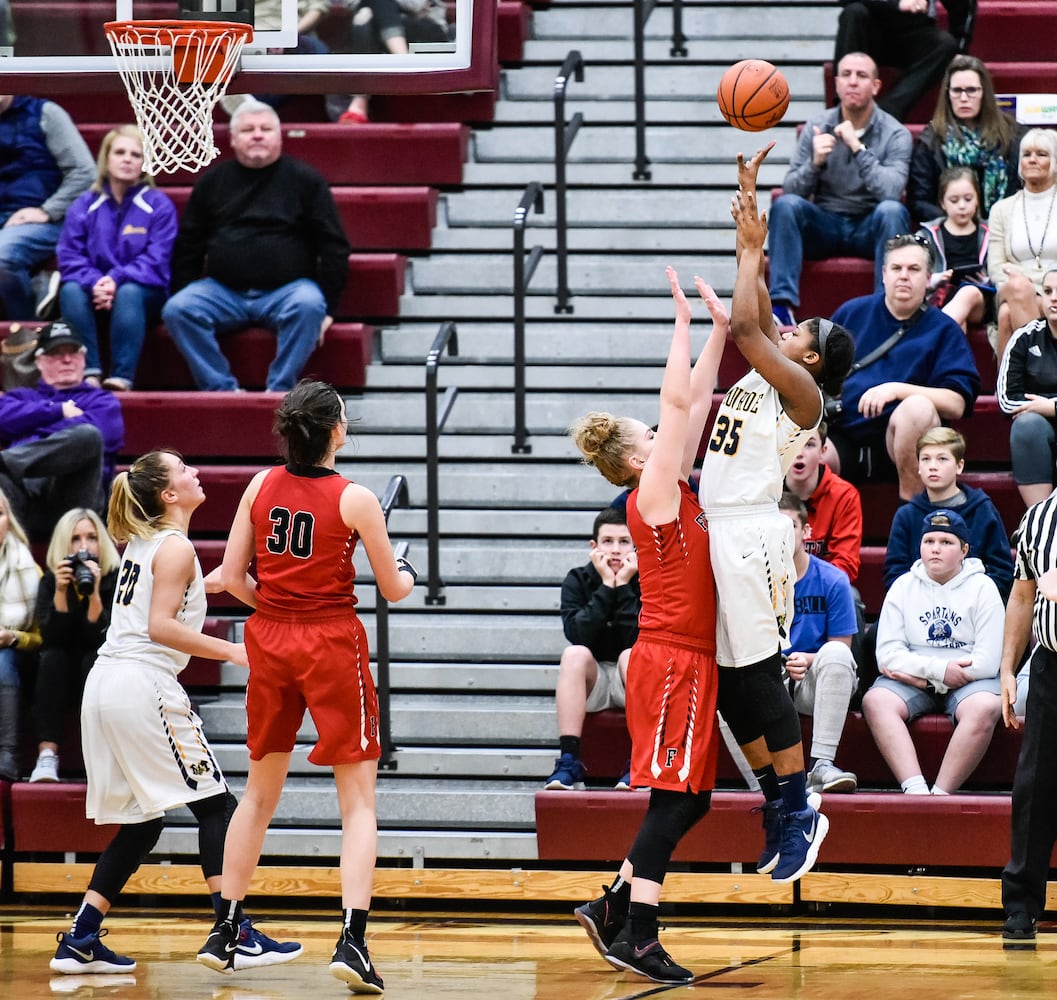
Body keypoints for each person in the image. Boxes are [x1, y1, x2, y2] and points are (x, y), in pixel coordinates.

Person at [196, 381, 415, 993]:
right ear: (335, 431)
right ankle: (352, 939)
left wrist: (277, 606)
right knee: (359, 803)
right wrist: (410, 569)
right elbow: (394, 589)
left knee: (258, 796)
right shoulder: (357, 498)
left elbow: (229, 578)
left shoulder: (260, 485)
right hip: (330, 643)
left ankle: (226, 927)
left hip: (270, 638)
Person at [50, 449, 301, 975]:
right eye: (183, 470)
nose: (195, 473)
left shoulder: (147, 544)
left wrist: (213, 585)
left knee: (143, 824)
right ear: (168, 494)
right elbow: (161, 627)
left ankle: (81, 937)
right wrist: (237, 652)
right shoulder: (176, 548)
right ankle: (235, 932)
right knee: (216, 807)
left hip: (105, 685)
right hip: (142, 684)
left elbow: (162, 601)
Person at [700, 143, 854, 884]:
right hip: (717, 526)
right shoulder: (776, 362)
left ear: (815, 361)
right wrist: (747, 228)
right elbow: (752, 314)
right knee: (729, 687)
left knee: (759, 677)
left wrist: (756, 247)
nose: (792, 327)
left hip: (754, 533)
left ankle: (802, 808)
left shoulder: (801, 393)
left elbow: (743, 331)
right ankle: (775, 800)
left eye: (804, 332)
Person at [568, 266, 727, 985]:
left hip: (685, 656)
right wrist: (682, 325)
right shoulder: (651, 492)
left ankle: (609, 906)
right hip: (669, 658)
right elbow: (675, 397)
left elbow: (691, 405)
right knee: (676, 800)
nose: (668, 431)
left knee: (690, 799)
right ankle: (637, 932)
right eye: (654, 435)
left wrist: (720, 333)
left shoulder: (669, 478)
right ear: (637, 458)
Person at [162, 101, 352, 393]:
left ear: (279, 136)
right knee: (178, 308)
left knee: (310, 304)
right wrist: (184, 287)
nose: (258, 135)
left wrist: (330, 308)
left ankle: (279, 390)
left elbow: (333, 245)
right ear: (233, 139)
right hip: (223, 292)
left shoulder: (306, 180)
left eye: (265, 129)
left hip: (287, 292)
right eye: (248, 130)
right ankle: (222, 390)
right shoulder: (212, 182)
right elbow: (189, 244)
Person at [827, 233, 981, 500]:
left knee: (918, 407)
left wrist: (897, 390)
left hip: (903, 443)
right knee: (800, 445)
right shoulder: (851, 313)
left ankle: (911, 519)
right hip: (843, 436)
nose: (904, 276)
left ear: (928, 277)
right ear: (884, 274)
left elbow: (957, 403)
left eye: (914, 269)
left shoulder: (943, 329)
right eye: (896, 268)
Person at [767, 51, 912, 328]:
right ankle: (782, 307)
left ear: (876, 86)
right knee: (785, 206)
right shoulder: (817, 127)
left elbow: (891, 191)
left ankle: (884, 306)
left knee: (893, 210)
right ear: (836, 84)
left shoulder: (895, 133)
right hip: (826, 224)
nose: (853, 82)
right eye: (846, 75)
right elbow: (792, 188)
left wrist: (858, 149)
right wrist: (815, 163)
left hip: (870, 226)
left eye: (861, 76)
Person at [865, 508, 1004, 795]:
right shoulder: (903, 586)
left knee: (985, 707)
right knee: (876, 701)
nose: (936, 549)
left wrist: (924, 675)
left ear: (964, 550)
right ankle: (915, 790)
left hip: (968, 681)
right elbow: (887, 655)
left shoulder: (984, 588)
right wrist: (937, 674)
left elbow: (988, 663)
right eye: (929, 542)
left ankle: (940, 794)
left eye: (946, 542)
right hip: (921, 678)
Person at [56, 125, 177, 391]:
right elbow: (69, 256)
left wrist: (115, 279)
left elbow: (156, 260)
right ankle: (89, 373)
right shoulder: (84, 204)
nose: (127, 159)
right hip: (94, 291)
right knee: (71, 290)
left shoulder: (159, 205)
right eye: (120, 152)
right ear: (106, 159)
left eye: (136, 154)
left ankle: (121, 378)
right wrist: (98, 282)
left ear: (145, 163)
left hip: (145, 296)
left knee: (130, 292)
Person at [545, 506, 640, 791]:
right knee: (574, 654)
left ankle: (640, 761)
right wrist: (606, 589)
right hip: (593, 682)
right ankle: (569, 761)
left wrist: (623, 586)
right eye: (607, 541)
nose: (615, 550)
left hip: (632, 677)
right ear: (593, 546)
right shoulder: (578, 579)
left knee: (632, 655)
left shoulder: (647, 579)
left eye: (624, 542)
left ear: (636, 546)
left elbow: (639, 637)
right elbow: (578, 634)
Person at [0, 322, 124, 541]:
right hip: (21, 501)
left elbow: (104, 434)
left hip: (75, 504)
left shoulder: (102, 401)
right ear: (39, 361)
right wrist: (57, 411)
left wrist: (29, 424)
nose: (66, 360)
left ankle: (5, 460)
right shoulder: (19, 397)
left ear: (84, 359)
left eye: (72, 353)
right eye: (56, 353)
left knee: (87, 436)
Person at [999, 489, 1057, 947]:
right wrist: (1007, 668)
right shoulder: (1038, 519)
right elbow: (1022, 596)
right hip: (1050, 666)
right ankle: (1021, 907)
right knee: (1034, 786)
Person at [27, 508, 120, 783]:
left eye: (91, 537)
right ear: (62, 545)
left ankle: (102, 757)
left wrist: (94, 594)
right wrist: (60, 591)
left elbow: (103, 640)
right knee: (53, 658)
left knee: (93, 658)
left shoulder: (115, 579)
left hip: (98, 668)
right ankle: (47, 756)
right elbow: (52, 639)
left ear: (102, 541)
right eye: (75, 539)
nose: (83, 546)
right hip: (59, 677)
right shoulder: (51, 581)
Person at [778, 492, 860, 793]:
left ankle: (821, 765)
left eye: (790, 528)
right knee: (730, 684)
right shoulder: (752, 579)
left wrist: (808, 659)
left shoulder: (832, 579)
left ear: (806, 532)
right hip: (772, 677)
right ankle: (766, 787)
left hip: (816, 678)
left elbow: (842, 645)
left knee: (836, 653)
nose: (783, 536)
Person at [883, 427, 1013, 601]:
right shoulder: (906, 515)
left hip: (972, 606)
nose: (933, 466)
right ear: (919, 466)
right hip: (919, 607)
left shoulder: (982, 510)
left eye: (942, 459)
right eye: (926, 459)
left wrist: (970, 599)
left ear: (959, 466)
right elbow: (895, 573)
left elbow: (1001, 571)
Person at [0, 94, 94, 321]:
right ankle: (37, 288)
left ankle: (27, 336)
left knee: (1, 256)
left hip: (45, 220)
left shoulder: (46, 114)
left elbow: (85, 172)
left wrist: (47, 210)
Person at [907, 54, 1022, 225]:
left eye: (971, 90)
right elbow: (919, 201)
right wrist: (957, 222)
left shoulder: (1013, 135)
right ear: (947, 94)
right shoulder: (931, 141)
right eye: (956, 91)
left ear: (984, 92)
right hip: (950, 233)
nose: (963, 98)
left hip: (1006, 230)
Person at [987, 128, 1057, 363]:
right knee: (1017, 288)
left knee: (1007, 314)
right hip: (1012, 288)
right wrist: (1029, 283)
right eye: (1027, 154)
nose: (1033, 160)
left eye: (1042, 154)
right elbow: (996, 267)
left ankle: (1009, 389)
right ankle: (1046, 370)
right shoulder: (1001, 209)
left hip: (1054, 291)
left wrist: (1038, 284)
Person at [833, 0, 962, 125]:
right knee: (853, 12)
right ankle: (845, 106)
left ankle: (887, 112)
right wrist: (895, 3)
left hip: (913, 32)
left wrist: (960, 48)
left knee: (945, 44)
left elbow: (963, 5)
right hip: (869, 31)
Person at [333, 0, 450, 124]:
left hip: (424, 26)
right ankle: (405, 63)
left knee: (367, 17)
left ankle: (359, 101)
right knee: (366, 22)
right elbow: (349, 3)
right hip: (378, 29)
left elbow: (416, 5)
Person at [998, 267, 1057, 509]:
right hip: (1039, 426)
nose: (1054, 297)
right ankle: (1040, 521)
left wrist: (1050, 406)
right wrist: (1044, 410)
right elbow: (1006, 399)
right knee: (1026, 426)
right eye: (1047, 291)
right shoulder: (1025, 337)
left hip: (1044, 412)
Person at [917, 166, 994, 334]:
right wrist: (935, 279)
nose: (962, 206)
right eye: (954, 200)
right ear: (942, 203)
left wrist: (988, 281)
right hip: (942, 298)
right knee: (959, 321)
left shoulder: (992, 231)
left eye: (968, 199)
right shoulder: (927, 234)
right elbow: (915, 274)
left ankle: (934, 338)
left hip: (981, 299)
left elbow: (1002, 268)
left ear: (977, 200)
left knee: (967, 292)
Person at [783, 423, 863, 582]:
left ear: (823, 451)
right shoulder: (766, 492)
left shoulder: (844, 495)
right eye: (792, 442)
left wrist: (809, 586)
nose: (799, 453)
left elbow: (846, 564)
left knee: (851, 596)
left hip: (823, 590)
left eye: (809, 444)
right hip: (778, 588)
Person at [0, 488, 41, 781]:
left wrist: (13, 637)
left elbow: (42, 638)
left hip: (18, 658)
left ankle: (8, 754)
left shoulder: (29, 570)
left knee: (2, 659)